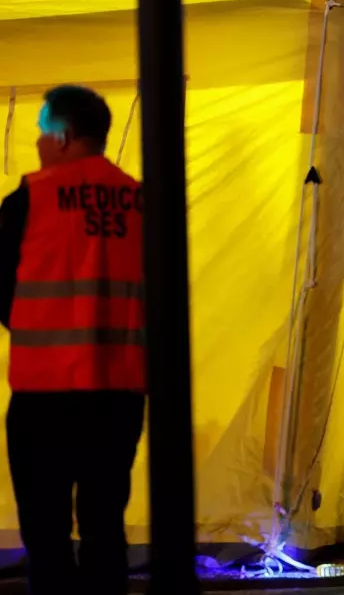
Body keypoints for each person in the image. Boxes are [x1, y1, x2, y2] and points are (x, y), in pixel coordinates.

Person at [0, 85, 146, 594]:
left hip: (45, 395)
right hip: (119, 394)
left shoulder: (29, 199)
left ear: (62, 137)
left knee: (47, 535)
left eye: (41, 132)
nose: (38, 143)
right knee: (106, 526)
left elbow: (4, 292)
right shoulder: (140, 201)